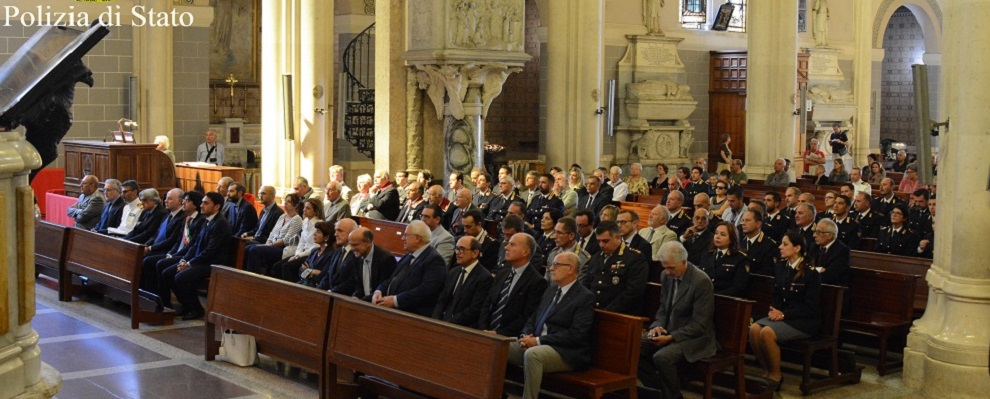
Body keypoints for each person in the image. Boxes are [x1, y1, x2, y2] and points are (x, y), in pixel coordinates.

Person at [507, 252, 595, 399]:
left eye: (556, 265)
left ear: (570, 269)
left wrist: (537, 341)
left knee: (533, 355)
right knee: (501, 345)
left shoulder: (584, 297)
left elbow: (576, 334)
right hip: (538, 342)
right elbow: (534, 316)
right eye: (552, 264)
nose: (551, 269)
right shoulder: (551, 289)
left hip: (565, 351)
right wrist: (526, 334)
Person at [638, 241, 716, 399]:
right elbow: (663, 309)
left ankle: (674, 396)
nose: (667, 272)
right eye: (664, 267)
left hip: (695, 337)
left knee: (662, 357)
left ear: (684, 262)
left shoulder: (701, 281)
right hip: (670, 330)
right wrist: (657, 326)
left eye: (671, 268)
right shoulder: (666, 276)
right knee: (634, 347)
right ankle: (659, 392)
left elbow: (700, 324)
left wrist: (671, 337)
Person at [749, 231, 821, 390]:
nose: (780, 247)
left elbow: (811, 307)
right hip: (784, 317)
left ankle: (776, 375)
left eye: (785, 244)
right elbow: (776, 294)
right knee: (754, 329)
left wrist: (783, 314)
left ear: (797, 248)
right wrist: (773, 309)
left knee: (767, 332)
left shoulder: (810, 273)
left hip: (804, 322)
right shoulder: (781, 267)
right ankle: (766, 370)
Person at [160, 192, 232, 320]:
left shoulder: (220, 223)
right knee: (167, 272)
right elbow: (195, 245)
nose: (202, 205)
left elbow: (210, 251)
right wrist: (185, 259)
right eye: (202, 202)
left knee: (181, 277)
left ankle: (196, 308)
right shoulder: (207, 220)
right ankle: (186, 305)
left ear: (217, 207)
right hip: (202, 260)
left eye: (206, 203)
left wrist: (189, 264)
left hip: (213, 263)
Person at [478, 233, 549, 336]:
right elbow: (487, 304)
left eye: (512, 244)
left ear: (525, 252)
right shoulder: (502, 273)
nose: (506, 247)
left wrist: (498, 333)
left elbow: (527, 316)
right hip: (485, 332)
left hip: (508, 337)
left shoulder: (537, 282)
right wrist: (482, 328)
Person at [373, 221, 447, 316]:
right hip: (393, 310)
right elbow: (392, 279)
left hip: (412, 315)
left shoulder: (434, 260)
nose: (402, 238)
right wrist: (379, 291)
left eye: (406, 235)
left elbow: (426, 290)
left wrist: (396, 300)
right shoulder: (408, 255)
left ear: (417, 238)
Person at [141, 191, 205, 293]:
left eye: (186, 201)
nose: (183, 203)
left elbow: (192, 245)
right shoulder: (185, 218)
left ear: (195, 204)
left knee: (158, 264)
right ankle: (149, 294)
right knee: (147, 260)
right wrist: (172, 254)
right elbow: (178, 240)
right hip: (177, 252)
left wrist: (175, 255)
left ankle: (162, 300)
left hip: (187, 255)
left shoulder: (199, 220)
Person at [582, 220, 649, 314]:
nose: (601, 245)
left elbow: (633, 291)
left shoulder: (634, 258)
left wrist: (608, 312)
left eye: (605, 241)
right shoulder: (596, 258)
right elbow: (586, 284)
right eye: (599, 241)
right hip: (593, 310)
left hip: (619, 313)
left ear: (618, 237)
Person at [432, 236, 495, 326]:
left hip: (462, 327)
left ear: (475, 253)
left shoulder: (484, 277)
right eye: (457, 249)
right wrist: (435, 320)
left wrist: (448, 323)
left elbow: (475, 309)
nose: (457, 253)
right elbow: (441, 299)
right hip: (442, 322)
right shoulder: (453, 271)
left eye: (462, 249)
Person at [244, 194, 303, 275]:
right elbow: (273, 232)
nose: (285, 203)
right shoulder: (282, 216)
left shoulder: (297, 219)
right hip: (272, 244)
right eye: (285, 200)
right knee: (247, 248)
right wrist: (267, 242)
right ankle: (245, 275)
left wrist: (269, 245)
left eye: (288, 201)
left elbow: (286, 240)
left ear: (296, 205)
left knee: (254, 250)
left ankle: (255, 278)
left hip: (282, 248)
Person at [270, 198, 325, 280]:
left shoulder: (319, 224)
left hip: (310, 254)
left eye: (308, 208)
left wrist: (298, 256)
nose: (304, 210)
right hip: (301, 253)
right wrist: (296, 255)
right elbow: (301, 242)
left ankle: (290, 291)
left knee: (286, 267)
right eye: (304, 207)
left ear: (316, 211)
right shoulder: (305, 221)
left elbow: (315, 247)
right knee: (276, 266)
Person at [697, 221, 750, 296]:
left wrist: (716, 296)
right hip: (704, 297)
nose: (717, 236)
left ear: (731, 239)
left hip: (725, 300)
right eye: (716, 233)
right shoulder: (707, 254)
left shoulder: (740, 259)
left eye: (723, 234)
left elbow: (738, 287)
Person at [809, 219, 851, 311]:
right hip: (814, 290)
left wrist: (813, 270)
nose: (814, 235)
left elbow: (830, 275)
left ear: (829, 235)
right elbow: (805, 268)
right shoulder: (813, 247)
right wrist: (820, 269)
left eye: (818, 232)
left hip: (833, 294)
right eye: (815, 231)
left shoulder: (842, 250)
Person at [346, 227, 398, 301]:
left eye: (355, 245)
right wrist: (355, 297)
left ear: (368, 243)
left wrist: (362, 301)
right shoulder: (356, 256)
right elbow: (358, 284)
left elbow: (383, 288)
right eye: (350, 245)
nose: (351, 249)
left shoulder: (386, 259)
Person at [315, 219, 360, 293]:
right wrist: (317, 291)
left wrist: (330, 292)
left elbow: (351, 282)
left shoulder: (357, 254)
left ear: (352, 233)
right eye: (335, 230)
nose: (335, 234)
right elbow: (328, 276)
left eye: (340, 230)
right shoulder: (337, 251)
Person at [292, 221, 334, 285]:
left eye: (318, 232)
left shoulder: (332, 254)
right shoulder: (314, 250)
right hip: (304, 283)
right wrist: (313, 272)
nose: (314, 234)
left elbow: (323, 276)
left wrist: (308, 271)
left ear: (326, 237)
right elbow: (301, 270)